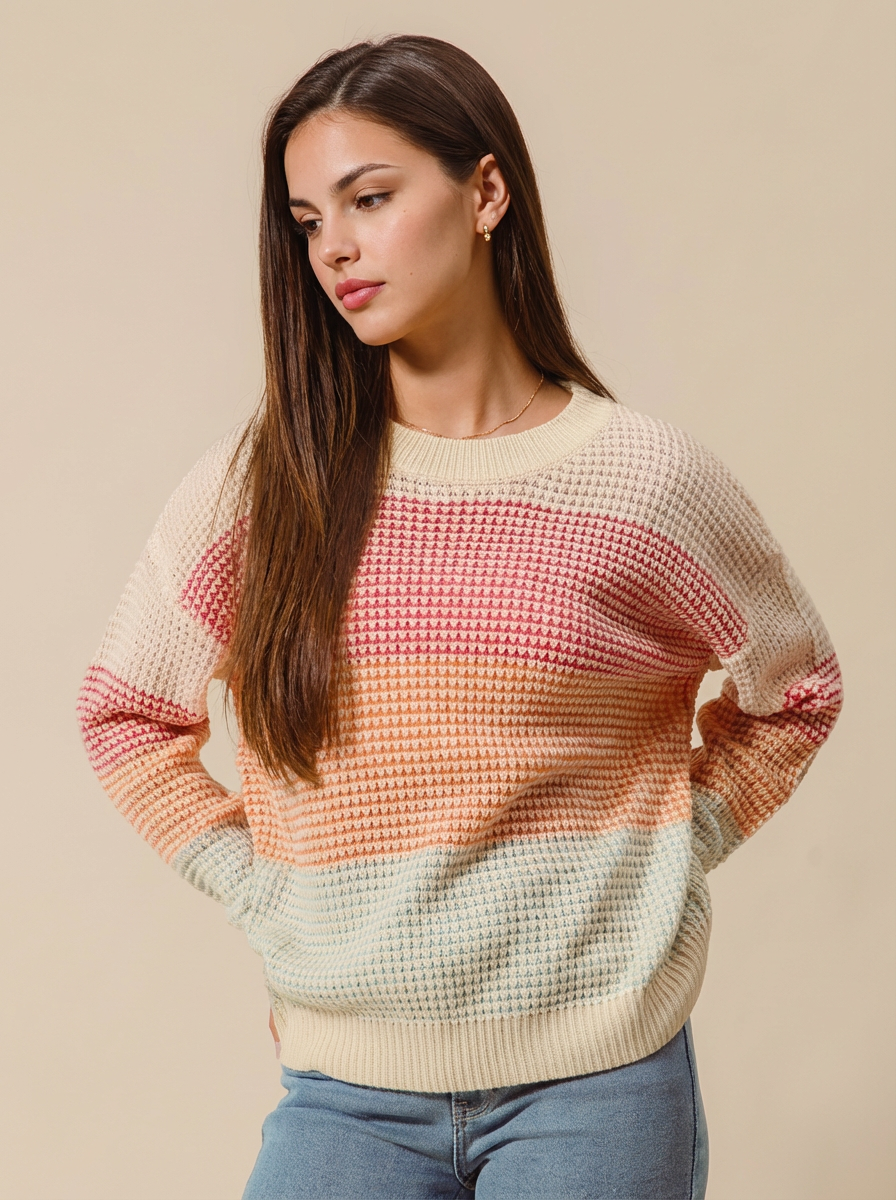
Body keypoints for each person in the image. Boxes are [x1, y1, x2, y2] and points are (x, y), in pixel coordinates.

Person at [76, 34, 843, 1200]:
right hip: (343, 1090)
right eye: (306, 221)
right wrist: (264, 893)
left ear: (484, 193)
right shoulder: (266, 489)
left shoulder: (641, 482)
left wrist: (668, 849)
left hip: (598, 1086)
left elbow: (795, 690)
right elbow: (124, 713)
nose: (333, 247)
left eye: (369, 199)